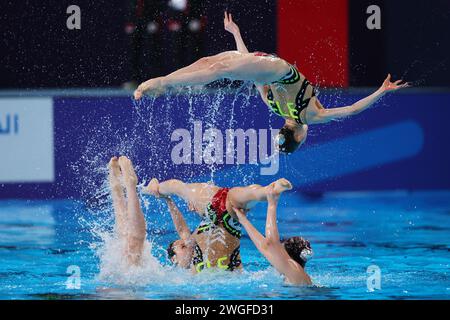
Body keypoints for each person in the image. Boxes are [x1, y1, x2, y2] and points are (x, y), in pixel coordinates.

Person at [134, 12, 410, 154]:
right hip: (266, 66)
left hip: (273, 67)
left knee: (214, 66)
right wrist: (236, 35)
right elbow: (251, 72)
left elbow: (352, 111)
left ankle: (163, 83)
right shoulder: (279, 109)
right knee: (213, 66)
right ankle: (164, 83)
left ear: (300, 136)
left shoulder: (307, 116)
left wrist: (381, 92)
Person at [144, 176, 293, 273]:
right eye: (182, 247)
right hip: (232, 213)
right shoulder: (192, 275)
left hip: (208, 204)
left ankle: (156, 189)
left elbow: (182, 228)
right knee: (249, 195)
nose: (185, 243)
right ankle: (269, 190)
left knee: (178, 187)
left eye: (182, 244)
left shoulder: (192, 241)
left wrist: (167, 200)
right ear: (173, 260)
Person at [233, 183, 313, 286]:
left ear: (287, 255)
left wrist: (272, 204)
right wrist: (243, 220)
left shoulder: (294, 270)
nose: (274, 254)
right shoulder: (295, 275)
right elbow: (265, 247)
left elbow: (271, 243)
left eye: (279, 251)